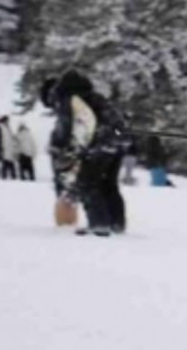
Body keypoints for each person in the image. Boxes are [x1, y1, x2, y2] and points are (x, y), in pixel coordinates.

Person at [45, 71, 128, 236]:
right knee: (108, 185)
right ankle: (116, 223)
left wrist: (60, 149)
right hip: (116, 144)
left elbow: (65, 129)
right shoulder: (97, 99)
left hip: (97, 146)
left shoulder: (71, 101)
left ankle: (99, 225)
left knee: (87, 184)